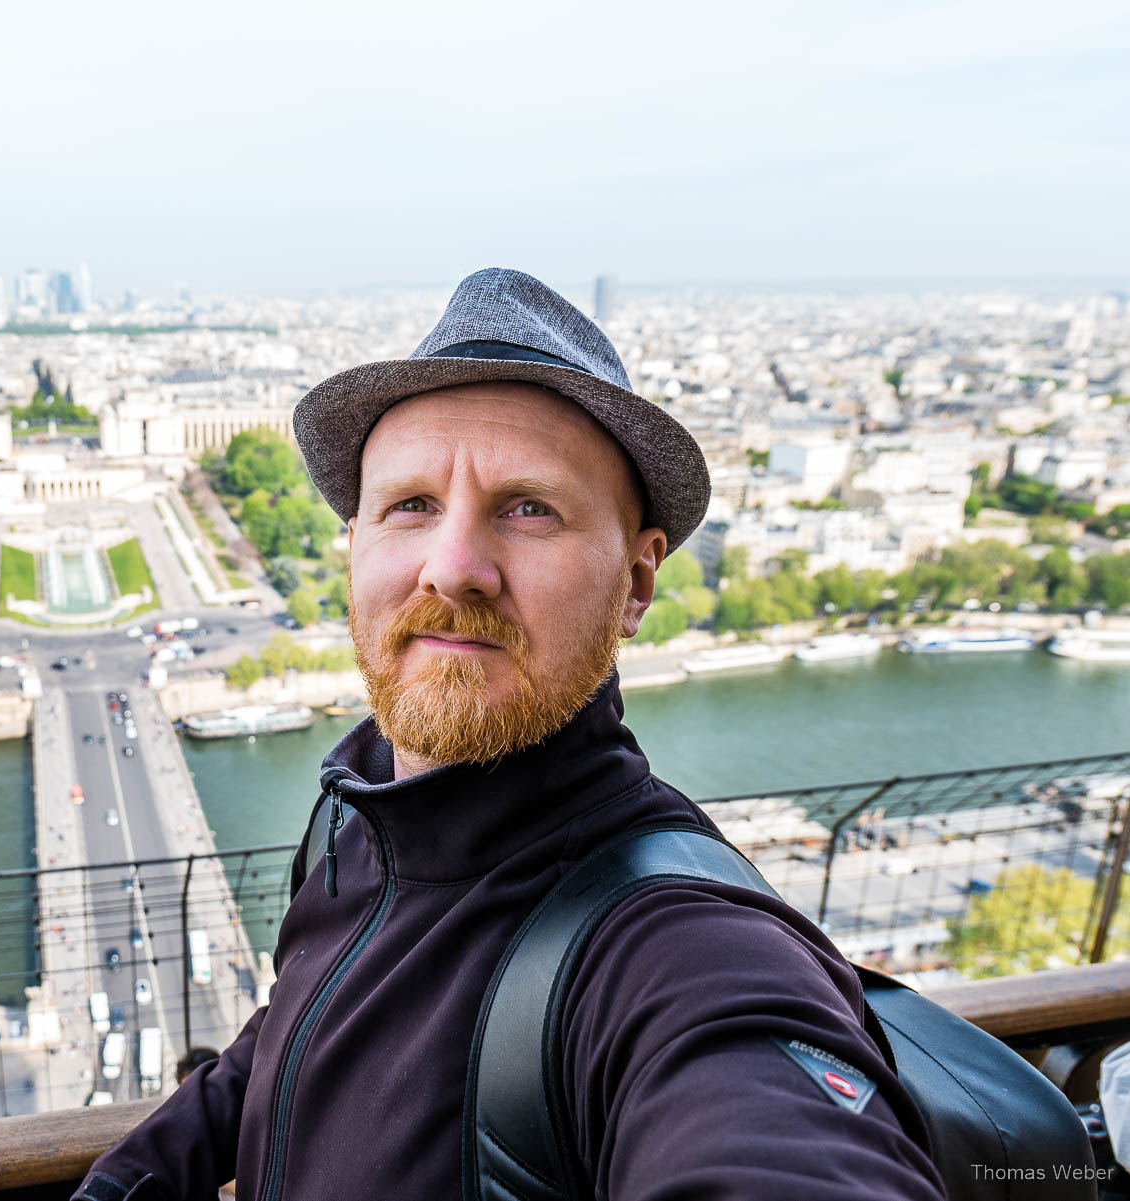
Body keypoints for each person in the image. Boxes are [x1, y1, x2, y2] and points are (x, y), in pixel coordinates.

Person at [71, 270, 942, 1201]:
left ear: (637, 582)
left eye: (529, 507)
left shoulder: (675, 951)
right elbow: (299, 1031)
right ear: (353, 544)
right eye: (410, 504)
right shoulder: (351, 824)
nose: (453, 569)